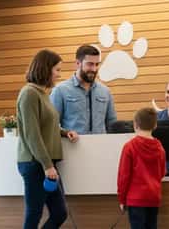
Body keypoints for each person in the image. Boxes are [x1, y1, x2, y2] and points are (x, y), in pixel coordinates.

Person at [16, 49, 79, 229]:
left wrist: (65, 132)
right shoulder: (29, 93)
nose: (59, 75)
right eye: (57, 70)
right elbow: (31, 133)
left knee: (59, 213)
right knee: (34, 214)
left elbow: (47, 125)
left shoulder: (43, 94)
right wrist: (47, 165)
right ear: (46, 69)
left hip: (45, 163)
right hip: (35, 163)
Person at [50, 45, 117, 134]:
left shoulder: (105, 92)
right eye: (90, 64)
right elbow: (52, 125)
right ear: (78, 63)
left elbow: (112, 125)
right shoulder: (60, 90)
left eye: (97, 64)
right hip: (72, 146)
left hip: (101, 146)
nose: (94, 69)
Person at [117, 107, 166, 229]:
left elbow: (123, 177)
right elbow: (162, 173)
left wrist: (122, 199)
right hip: (153, 198)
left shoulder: (129, 147)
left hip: (135, 199)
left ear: (135, 124)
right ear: (155, 125)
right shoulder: (160, 148)